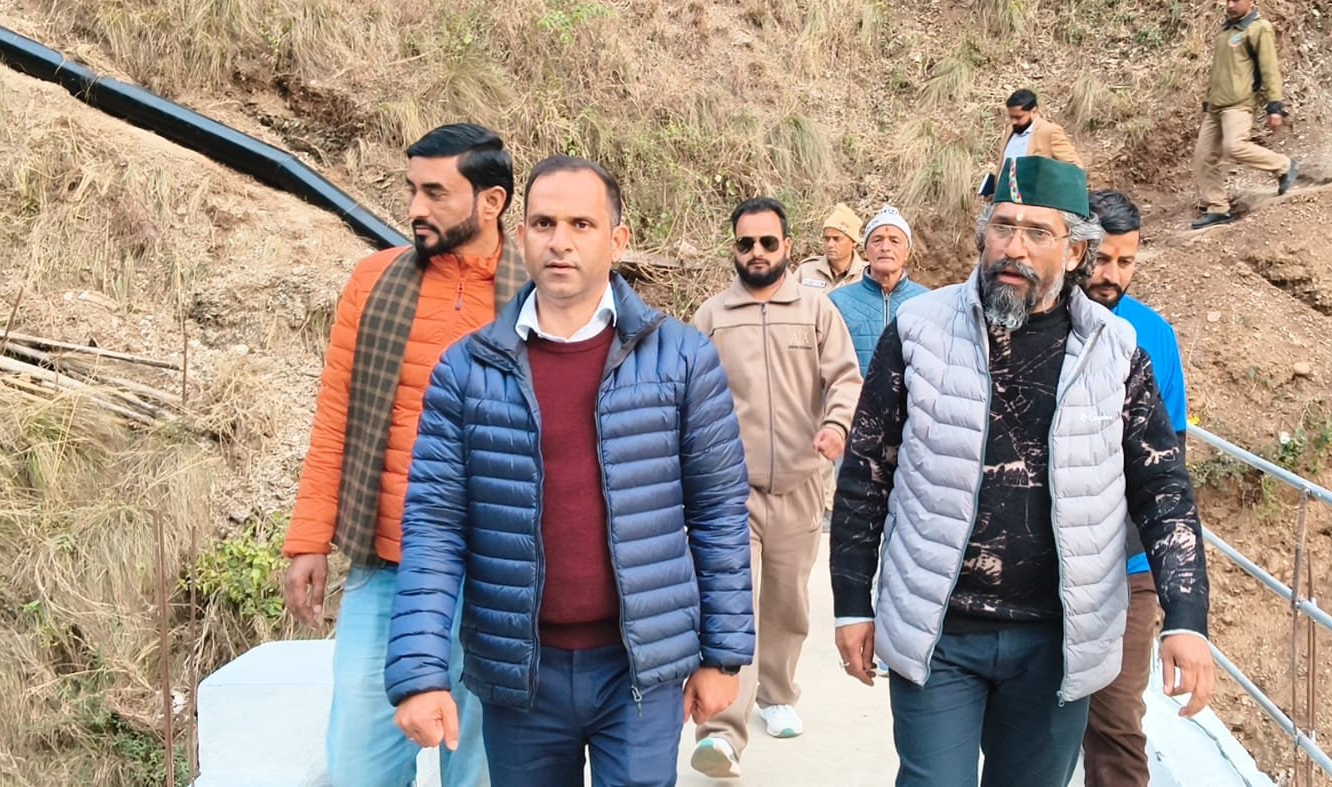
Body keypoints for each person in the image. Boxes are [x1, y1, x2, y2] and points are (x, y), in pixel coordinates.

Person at [831, 156, 1214, 787]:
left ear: (1074, 251)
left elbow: (1163, 492)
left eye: (1038, 232)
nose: (1014, 247)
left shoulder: (1117, 355)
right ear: (982, 235)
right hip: (938, 633)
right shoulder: (918, 333)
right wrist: (851, 605)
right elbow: (866, 474)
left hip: (1058, 645)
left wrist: (1186, 618)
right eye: (1003, 226)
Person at [384, 155, 755, 787]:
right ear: (521, 235)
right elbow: (435, 526)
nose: (560, 241)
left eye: (582, 224)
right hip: (521, 672)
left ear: (618, 239)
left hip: (640, 671)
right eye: (544, 223)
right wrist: (420, 674)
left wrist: (722, 655)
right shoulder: (466, 371)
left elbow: (718, 510)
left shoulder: (682, 359)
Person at [281, 123, 526, 787]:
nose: (416, 207)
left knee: (481, 770)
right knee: (359, 764)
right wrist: (309, 539)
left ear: (491, 202)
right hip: (388, 564)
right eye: (412, 189)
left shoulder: (541, 292)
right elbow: (336, 415)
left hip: (501, 575)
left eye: (435, 193)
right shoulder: (375, 282)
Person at [688, 197, 863, 777]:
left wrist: (836, 426)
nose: (757, 252)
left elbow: (845, 379)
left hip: (799, 483)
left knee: (787, 603)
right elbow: (687, 396)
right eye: (746, 243)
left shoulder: (817, 311)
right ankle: (722, 732)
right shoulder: (712, 317)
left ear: (787, 247)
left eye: (768, 242)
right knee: (731, 605)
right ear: (734, 249)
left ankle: (778, 694)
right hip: (728, 492)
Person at [1082, 190, 1190, 787]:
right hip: (1048, 558)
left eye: (1125, 262)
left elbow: (1169, 464)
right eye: (1101, 259)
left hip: (1130, 566)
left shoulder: (1155, 336)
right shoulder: (1041, 326)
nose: (1112, 275)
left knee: (1118, 719)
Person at [1192, 0, 1299, 231]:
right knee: (1203, 156)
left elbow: (1270, 69)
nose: (1230, 5)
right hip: (1216, 106)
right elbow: (1219, 71)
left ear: (1250, 0)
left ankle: (1284, 166)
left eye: (1236, 0)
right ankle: (1218, 208)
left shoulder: (1258, 28)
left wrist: (1274, 106)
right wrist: (1207, 101)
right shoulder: (1225, 31)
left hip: (1239, 104)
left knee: (1234, 146)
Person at [829, 205, 929, 376]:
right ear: (866, 250)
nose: (885, 247)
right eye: (877, 240)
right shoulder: (837, 302)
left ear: (907, 252)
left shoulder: (927, 302)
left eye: (894, 241)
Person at [796, 202, 866, 290]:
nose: (830, 244)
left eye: (836, 239)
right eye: (826, 239)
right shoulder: (806, 271)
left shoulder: (868, 275)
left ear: (854, 241)